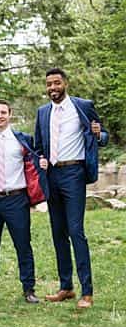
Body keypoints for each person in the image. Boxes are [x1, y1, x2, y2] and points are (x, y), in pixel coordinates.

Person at [36, 67, 107, 309]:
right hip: (51, 175)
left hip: (74, 173)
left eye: (57, 83)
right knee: (58, 233)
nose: (53, 88)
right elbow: (38, 147)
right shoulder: (43, 113)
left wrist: (99, 135)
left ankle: (87, 292)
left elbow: (103, 134)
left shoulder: (83, 106)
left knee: (76, 231)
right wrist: (40, 160)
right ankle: (66, 287)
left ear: (65, 83)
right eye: (49, 84)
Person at [0, 102, 42, 304]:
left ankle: (29, 289)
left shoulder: (23, 140)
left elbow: (36, 161)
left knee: (23, 245)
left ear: (10, 114)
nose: (0, 116)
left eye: (3, 112)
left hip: (16, 199)